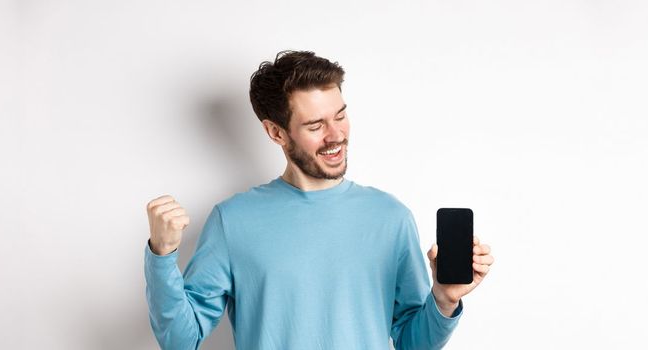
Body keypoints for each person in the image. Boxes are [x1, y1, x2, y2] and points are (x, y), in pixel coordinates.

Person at [144, 50, 495, 349]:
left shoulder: (390, 217)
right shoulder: (232, 221)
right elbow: (180, 340)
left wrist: (445, 299)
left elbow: (411, 342)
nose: (336, 135)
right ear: (276, 132)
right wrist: (162, 255)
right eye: (315, 125)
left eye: (340, 116)